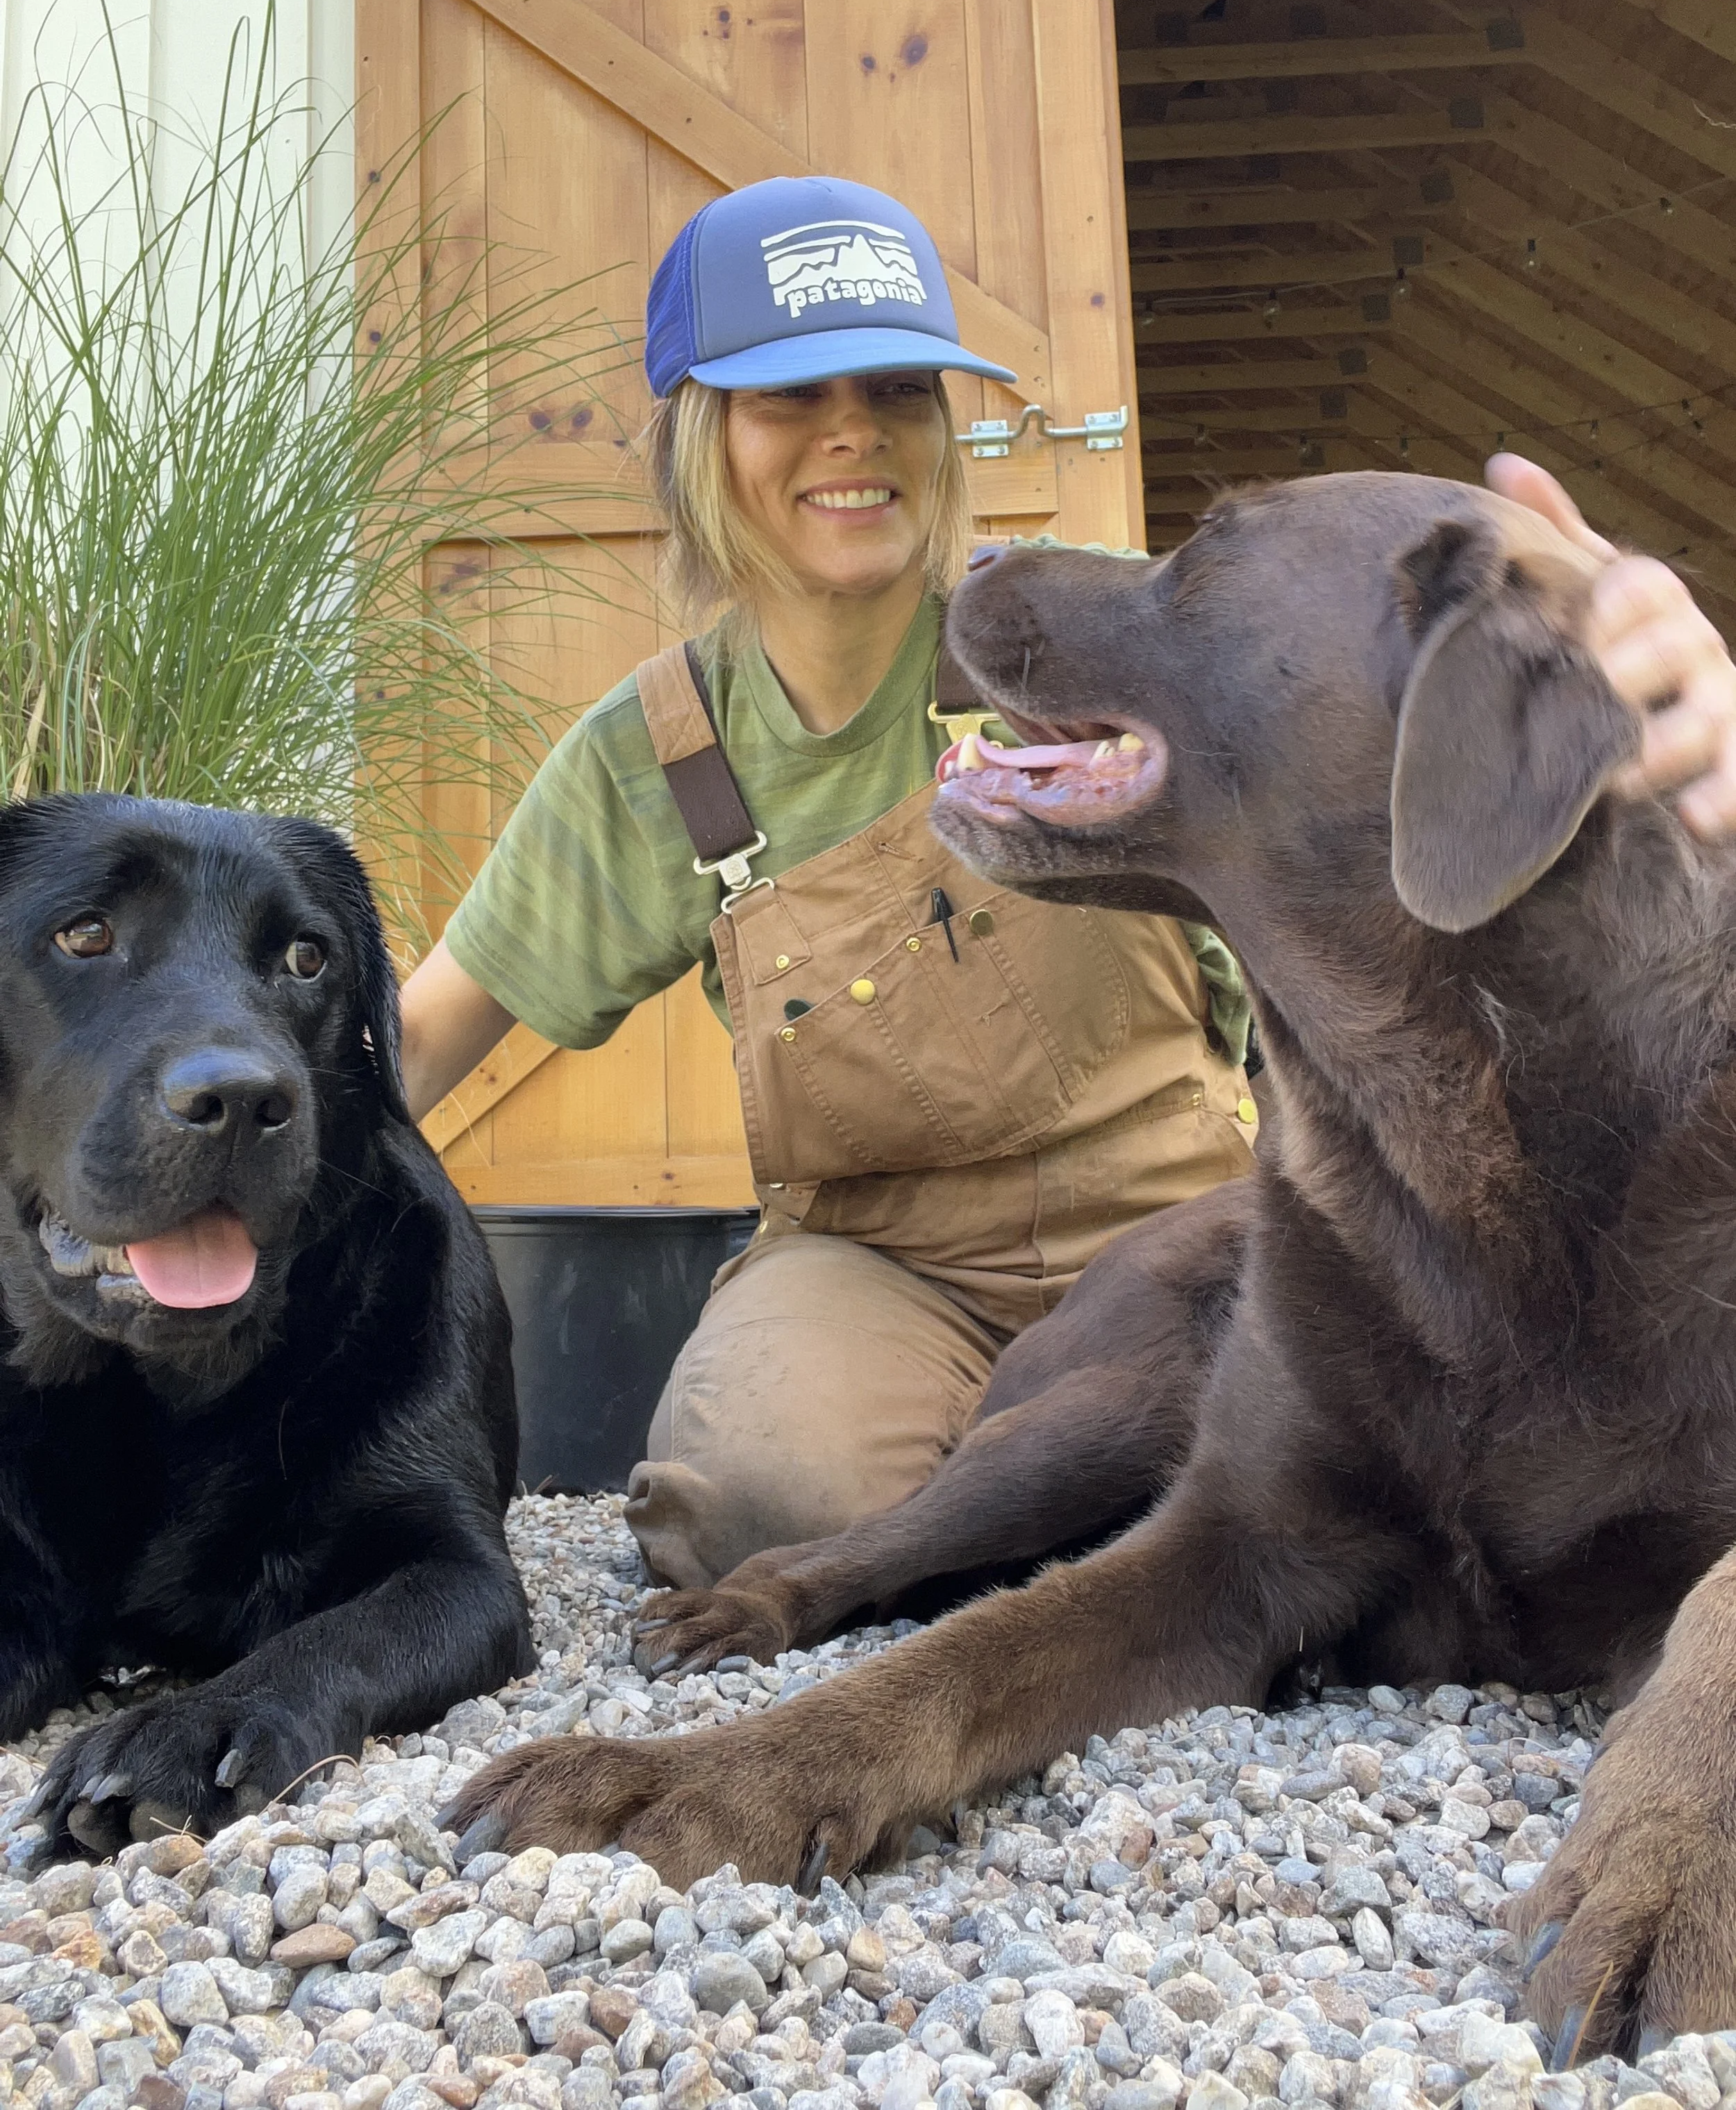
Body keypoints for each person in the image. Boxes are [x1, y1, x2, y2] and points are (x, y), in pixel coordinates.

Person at [400, 173, 1736, 1591]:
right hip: (879, 1267)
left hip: (1188, 1212)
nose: (852, 430)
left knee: (1263, 1479)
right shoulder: (653, 760)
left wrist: (1655, 715)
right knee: (769, 1503)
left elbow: (1472, 902)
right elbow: (418, 1039)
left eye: (896, 388)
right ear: (695, 439)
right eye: (786, 395)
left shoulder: (1115, 651)